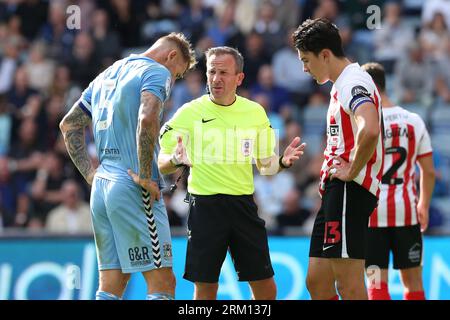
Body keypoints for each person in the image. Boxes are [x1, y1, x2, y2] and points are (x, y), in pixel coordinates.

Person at [158, 46, 306, 300]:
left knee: (266, 288)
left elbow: (265, 165)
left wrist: (282, 161)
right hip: (205, 207)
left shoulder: (255, 112)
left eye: (224, 72)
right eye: (211, 71)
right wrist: (174, 159)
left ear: (239, 78)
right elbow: (162, 162)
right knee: (205, 288)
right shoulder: (188, 112)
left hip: (243, 206)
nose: (216, 78)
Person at [59, 32, 196, 300]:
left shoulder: (109, 72)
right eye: (178, 73)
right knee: (163, 283)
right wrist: (146, 176)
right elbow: (147, 118)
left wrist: (89, 172)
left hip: (101, 187)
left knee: (112, 284)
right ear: (171, 56)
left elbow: (69, 124)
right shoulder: (157, 72)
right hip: (134, 185)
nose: (174, 79)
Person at [292, 18, 384, 300]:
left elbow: (369, 129)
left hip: (348, 191)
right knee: (317, 283)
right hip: (336, 193)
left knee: (349, 285)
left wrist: (351, 169)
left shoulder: (351, 82)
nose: (304, 68)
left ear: (325, 54)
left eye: (306, 60)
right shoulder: (341, 84)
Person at [362, 62, 436, 300]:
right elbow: (429, 171)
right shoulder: (413, 120)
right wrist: (423, 204)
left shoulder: (363, 125)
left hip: (371, 216)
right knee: (413, 283)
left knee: (375, 284)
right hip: (406, 213)